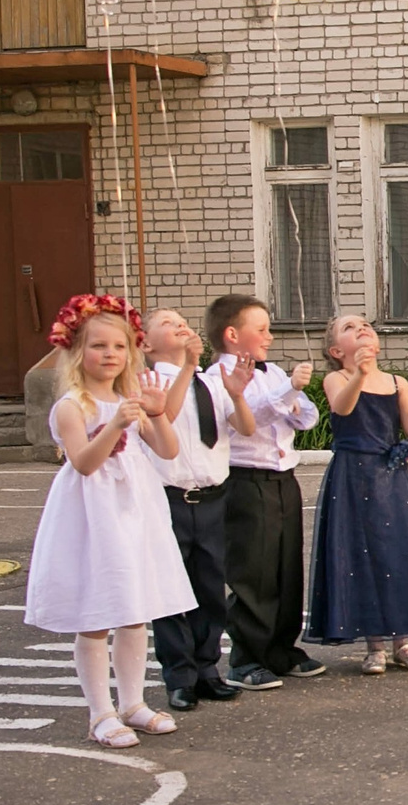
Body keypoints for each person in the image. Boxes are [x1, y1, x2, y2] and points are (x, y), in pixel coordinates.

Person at [24, 295, 195, 748]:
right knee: (98, 613)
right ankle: (101, 711)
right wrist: (117, 425)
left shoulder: (129, 399)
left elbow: (168, 451)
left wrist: (156, 414)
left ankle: (134, 702)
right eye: (98, 346)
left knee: (134, 611)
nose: (110, 355)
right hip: (93, 515)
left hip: (135, 510)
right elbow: (83, 462)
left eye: (118, 347)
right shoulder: (71, 405)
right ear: (78, 352)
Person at [307, 313, 408, 672]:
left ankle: (401, 641)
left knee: (397, 554)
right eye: (349, 327)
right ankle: (374, 645)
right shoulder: (336, 378)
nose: (361, 329)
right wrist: (358, 373)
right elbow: (342, 408)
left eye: (366, 325)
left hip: (391, 479)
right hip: (352, 478)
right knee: (361, 556)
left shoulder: (396, 382)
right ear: (337, 350)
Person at [208, 294, 326, 691]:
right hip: (246, 480)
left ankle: (281, 649)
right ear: (231, 334)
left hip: (282, 478)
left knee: (285, 566)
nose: (270, 337)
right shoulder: (216, 378)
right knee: (253, 571)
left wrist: (290, 396)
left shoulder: (273, 372)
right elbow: (247, 417)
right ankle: (246, 658)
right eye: (260, 329)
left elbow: (306, 416)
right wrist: (285, 394)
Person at [141, 308, 254, 712]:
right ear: (146, 343)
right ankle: (179, 677)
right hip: (168, 498)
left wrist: (238, 395)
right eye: (167, 323)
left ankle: (208, 670)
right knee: (172, 593)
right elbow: (163, 415)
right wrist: (188, 365)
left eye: (181, 319)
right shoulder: (146, 383)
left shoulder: (211, 383)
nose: (180, 324)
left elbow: (244, 427)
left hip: (211, 498)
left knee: (210, 589)